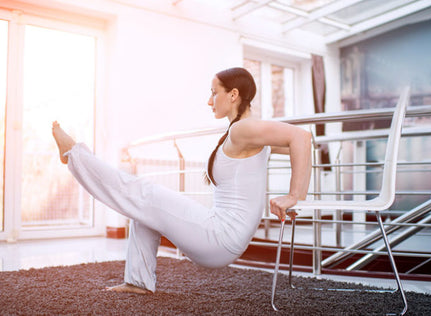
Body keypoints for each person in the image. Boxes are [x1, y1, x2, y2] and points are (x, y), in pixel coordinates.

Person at [52, 67, 312, 294]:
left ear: (233, 95)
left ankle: (74, 156)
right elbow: (300, 146)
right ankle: (138, 282)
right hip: (221, 233)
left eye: (214, 92)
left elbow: (301, 138)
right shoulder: (246, 134)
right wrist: (297, 190)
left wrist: (294, 196)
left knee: (145, 193)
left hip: (220, 237)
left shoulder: (244, 129)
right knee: (145, 208)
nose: (209, 101)